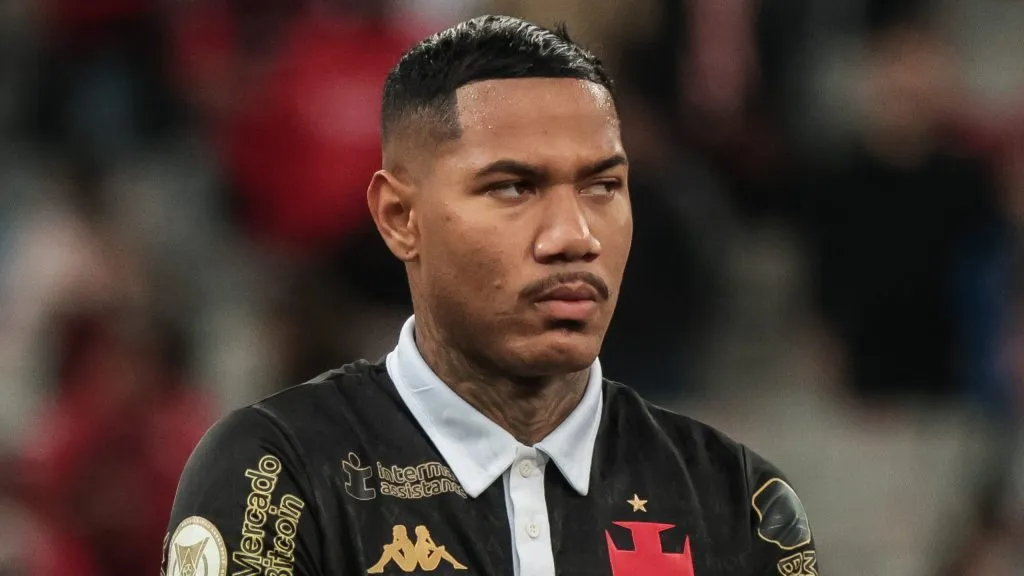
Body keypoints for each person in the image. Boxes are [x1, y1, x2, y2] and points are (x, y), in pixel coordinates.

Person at [162, 15, 819, 576]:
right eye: (512, 188)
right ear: (399, 217)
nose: (574, 236)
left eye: (602, 187)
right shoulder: (280, 474)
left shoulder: (737, 498)